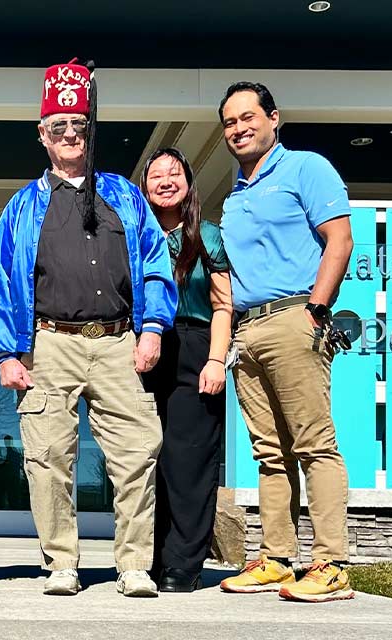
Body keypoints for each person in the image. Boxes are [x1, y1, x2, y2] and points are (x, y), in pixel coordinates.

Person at [0, 58, 176, 598]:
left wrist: (154, 327)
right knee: (47, 459)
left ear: (90, 132)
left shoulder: (124, 195)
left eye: (79, 126)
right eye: (59, 127)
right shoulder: (24, 206)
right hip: (48, 344)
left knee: (138, 451)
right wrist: (6, 353)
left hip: (118, 342)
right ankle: (61, 563)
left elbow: (155, 260)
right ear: (43, 135)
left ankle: (134, 565)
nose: (71, 135)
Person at [215, 82, 355, 602]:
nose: (238, 129)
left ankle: (333, 563)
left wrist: (317, 309)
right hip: (247, 330)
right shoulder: (235, 194)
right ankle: (277, 558)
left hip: (296, 315)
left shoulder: (305, 168)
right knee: (270, 453)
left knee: (315, 445)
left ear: (274, 119)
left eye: (248, 117)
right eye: (229, 122)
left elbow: (339, 239)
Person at [139, 147, 232, 592]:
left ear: (189, 184)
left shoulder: (208, 236)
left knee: (189, 460)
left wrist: (217, 359)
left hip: (194, 346)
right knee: (148, 459)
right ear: (145, 186)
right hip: (144, 349)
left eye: (174, 172)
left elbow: (222, 305)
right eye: (156, 174)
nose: (165, 180)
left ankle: (183, 563)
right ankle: (150, 558)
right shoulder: (133, 236)